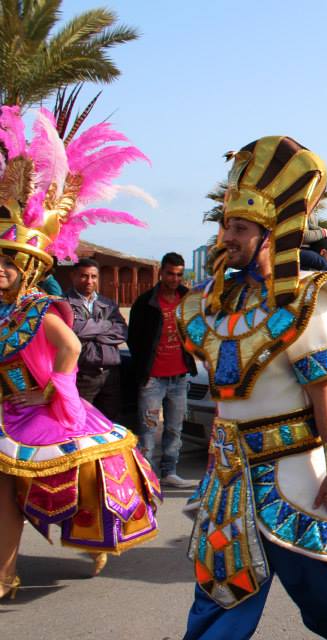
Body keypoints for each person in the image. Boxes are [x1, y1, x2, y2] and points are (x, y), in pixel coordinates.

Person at [178, 137, 327, 638]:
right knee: (219, 599)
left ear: (272, 234)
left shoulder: (307, 302)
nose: (227, 237)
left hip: (297, 477)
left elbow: (325, 397)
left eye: (240, 228)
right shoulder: (216, 304)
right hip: (228, 481)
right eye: (225, 226)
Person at [0, 103, 160, 597]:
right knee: (5, 494)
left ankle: (24, 566)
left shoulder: (39, 309)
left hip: (40, 411)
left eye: (7, 266)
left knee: (81, 481)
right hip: (6, 408)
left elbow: (68, 347)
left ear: (26, 269)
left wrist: (52, 390)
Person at [127, 252, 198, 489]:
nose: (174, 278)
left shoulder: (188, 299)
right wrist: (143, 370)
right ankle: (147, 475)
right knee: (148, 429)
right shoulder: (146, 302)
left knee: (175, 429)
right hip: (153, 378)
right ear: (161, 272)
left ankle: (170, 471)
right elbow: (134, 339)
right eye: (170, 273)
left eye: (179, 274)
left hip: (179, 376)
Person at [64, 257, 127, 422]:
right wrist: (106, 325)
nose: (89, 281)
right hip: (82, 375)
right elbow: (73, 331)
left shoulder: (108, 303)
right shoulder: (63, 304)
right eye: (84, 276)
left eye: (93, 276)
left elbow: (121, 332)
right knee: (81, 422)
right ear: (73, 276)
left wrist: (89, 329)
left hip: (109, 374)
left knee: (109, 423)